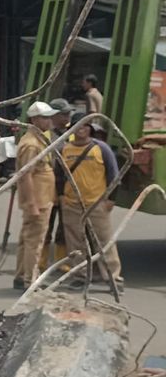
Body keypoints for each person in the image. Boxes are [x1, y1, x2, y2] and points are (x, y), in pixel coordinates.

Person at [59, 114, 122, 289]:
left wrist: (111, 200)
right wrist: (61, 197)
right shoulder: (64, 149)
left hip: (97, 203)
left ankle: (113, 278)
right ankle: (80, 276)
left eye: (86, 125)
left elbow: (114, 176)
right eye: (78, 125)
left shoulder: (101, 149)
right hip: (71, 203)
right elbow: (58, 176)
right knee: (75, 243)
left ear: (90, 129)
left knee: (105, 242)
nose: (82, 129)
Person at [13, 102, 57, 291]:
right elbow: (26, 175)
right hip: (38, 200)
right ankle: (30, 280)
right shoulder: (31, 144)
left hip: (43, 197)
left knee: (27, 239)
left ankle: (22, 275)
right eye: (45, 118)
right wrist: (32, 203)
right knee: (35, 241)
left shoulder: (39, 139)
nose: (49, 121)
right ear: (35, 119)